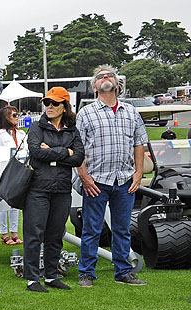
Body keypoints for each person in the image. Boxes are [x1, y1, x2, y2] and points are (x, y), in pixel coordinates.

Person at [75, 66, 148, 287]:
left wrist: (138, 172)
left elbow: (138, 143)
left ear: (116, 84)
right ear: (95, 86)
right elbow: (78, 148)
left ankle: (123, 271)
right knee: (92, 229)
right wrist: (84, 176)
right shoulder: (86, 113)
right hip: (96, 180)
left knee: (122, 229)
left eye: (109, 76)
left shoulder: (130, 111)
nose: (105, 79)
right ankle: (86, 273)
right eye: (100, 77)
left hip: (124, 179)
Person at [21, 87, 85, 293]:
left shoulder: (72, 130)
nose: (49, 106)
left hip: (62, 189)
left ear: (64, 107)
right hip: (38, 188)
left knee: (55, 234)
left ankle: (51, 276)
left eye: (54, 103)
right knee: (34, 234)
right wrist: (65, 151)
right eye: (47, 102)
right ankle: (32, 279)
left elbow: (79, 157)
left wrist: (55, 152)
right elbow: (36, 152)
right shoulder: (37, 127)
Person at [0, 106, 27, 245]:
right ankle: (4, 234)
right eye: (14, 115)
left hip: (19, 170)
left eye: (17, 114)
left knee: (15, 203)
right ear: (6, 117)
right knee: (3, 202)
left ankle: (14, 233)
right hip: (4, 170)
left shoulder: (21, 134)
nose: (17, 117)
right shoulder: (0, 134)